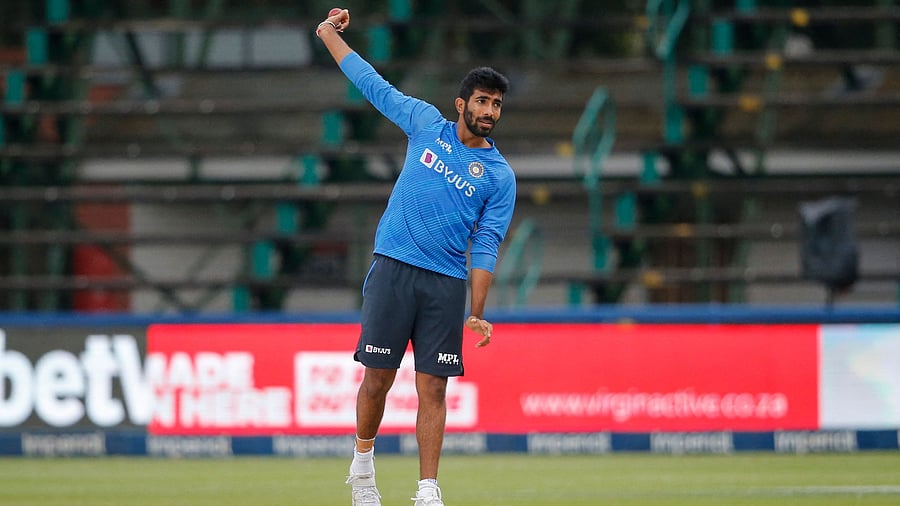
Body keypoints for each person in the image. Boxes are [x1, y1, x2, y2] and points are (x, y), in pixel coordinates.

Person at [315, 7, 516, 506]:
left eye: (496, 105)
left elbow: (487, 243)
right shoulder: (427, 123)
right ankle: (363, 468)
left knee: (434, 390)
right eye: (482, 101)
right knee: (378, 379)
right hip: (394, 269)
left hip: (444, 284)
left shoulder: (499, 176)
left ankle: (428, 490)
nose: (489, 111)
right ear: (461, 103)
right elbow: (374, 85)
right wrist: (327, 36)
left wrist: (478, 311)